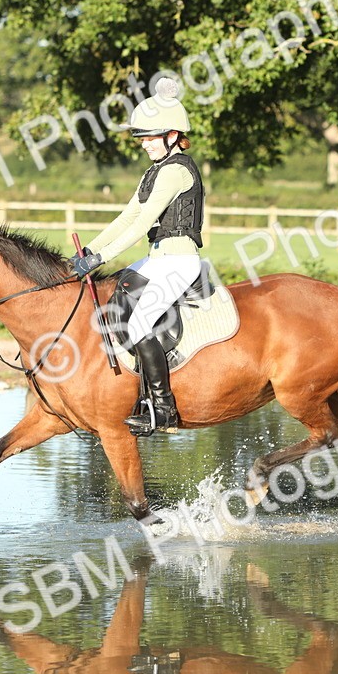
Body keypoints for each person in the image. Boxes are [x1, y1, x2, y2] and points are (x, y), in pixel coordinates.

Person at [69, 77, 204, 436]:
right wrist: (88, 250)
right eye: (141, 137)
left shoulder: (176, 171)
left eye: (149, 137)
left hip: (179, 260)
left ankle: (163, 409)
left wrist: (102, 258)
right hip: (158, 258)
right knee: (114, 298)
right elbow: (127, 217)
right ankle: (133, 391)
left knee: (140, 324)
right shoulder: (154, 170)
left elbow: (145, 220)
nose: (143, 144)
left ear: (172, 135)